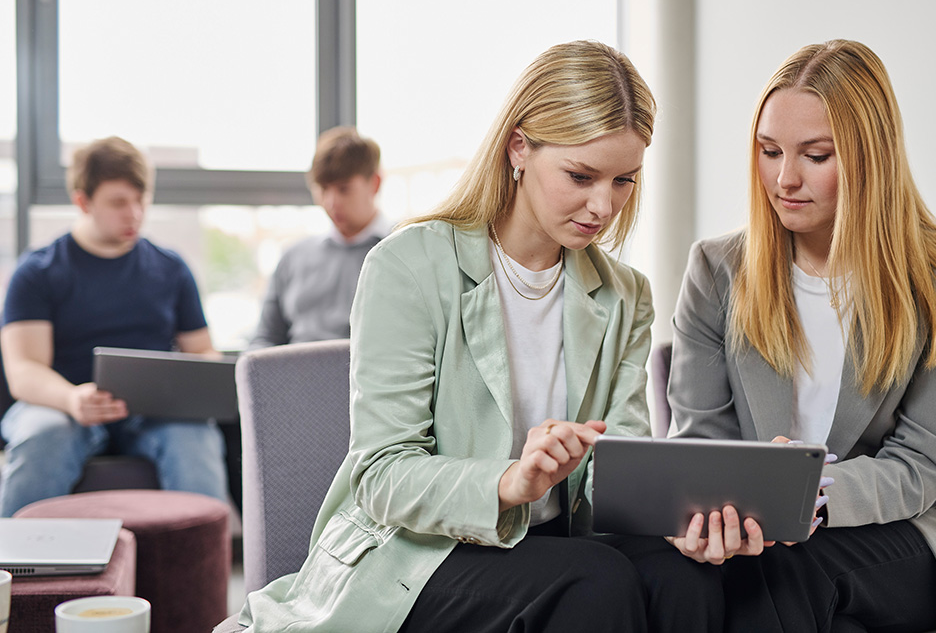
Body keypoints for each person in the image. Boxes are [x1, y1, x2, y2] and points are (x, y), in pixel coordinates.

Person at [235, 40, 769, 633]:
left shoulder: (625, 295)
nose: (603, 205)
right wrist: (509, 481)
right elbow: (381, 474)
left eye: (623, 181)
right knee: (595, 581)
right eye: (581, 175)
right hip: (418, 550)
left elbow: (616, 468)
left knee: (685, 576)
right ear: (519, 147)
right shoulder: (408, 265)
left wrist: (673, 518)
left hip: (557, 545)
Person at [667, 40, 936, 628]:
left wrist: (805, 492)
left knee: (784, 577)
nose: (785, 178)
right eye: (769, 150)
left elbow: (923, 465)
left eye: (816, 155)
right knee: (688, 577)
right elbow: (701, 441)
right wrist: (726, 513)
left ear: (869, 159)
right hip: (762, 539)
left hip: (903, 531)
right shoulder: (717, 271)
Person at [0, 136, 229, 517]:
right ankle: (12, 568)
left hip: (151, 411)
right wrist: (73, 399)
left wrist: (204, 375)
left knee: (195, 439)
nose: (134, 213)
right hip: (61, 405)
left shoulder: (171, 269)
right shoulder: (37, 272)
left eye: (141, 200)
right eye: (119, 202)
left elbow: (202, 351)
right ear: (82, 201)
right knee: (44, 436)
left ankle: (203, 573)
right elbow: (23, 372)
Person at [248, 125, 390, 349]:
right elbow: (265, 339)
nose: (331, 203)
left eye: (344, 189)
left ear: (375, 184)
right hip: (293, 379)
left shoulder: (403, 253)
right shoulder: (293, 257)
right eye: (323, 189)